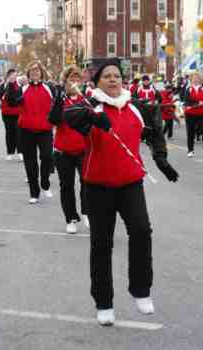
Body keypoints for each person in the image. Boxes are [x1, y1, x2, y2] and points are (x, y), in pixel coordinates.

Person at [64, 59, 179, 326]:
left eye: (117, 75)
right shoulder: (89, 104)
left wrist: (161, 159)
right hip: (98, 186)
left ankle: (141, 290)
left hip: (130, 184)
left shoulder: (135, 107)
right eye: (107, 76)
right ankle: (103, 302)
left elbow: (155, 132)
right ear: (97, 82)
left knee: (141, 231)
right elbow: (67, 117)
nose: (113, 80)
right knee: (101, 245)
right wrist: (93, 116)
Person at [5, 60, 55, 204]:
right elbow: (11, 101)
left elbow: (58, 102)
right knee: (30, 162)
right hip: (26, 130)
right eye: (32, 70)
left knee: (47, 157)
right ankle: (34, 193)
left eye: (37, 70)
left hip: (45, 130)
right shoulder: (23, 88)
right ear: (28, 74)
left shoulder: (49, 87)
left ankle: (45, 182)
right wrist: (12, 83)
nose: (34, 72)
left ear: (41, 73)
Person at [49, 65, 89, 233]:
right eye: (71, 79)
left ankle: (87, 212)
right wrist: (58, 99)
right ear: (65, 82)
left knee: (87, 184)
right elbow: (54, 120)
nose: (74, 82)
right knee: (66, 186)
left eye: (77, 79)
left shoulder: (86, 100)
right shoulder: (60, 99)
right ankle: (71, 218)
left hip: (84, 150)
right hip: (63, 151)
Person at [0, 69, 23, 161]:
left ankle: (20, 152)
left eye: (15, 75)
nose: (13, 77)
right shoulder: (4, 85)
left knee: (18, 133)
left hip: (18, 113)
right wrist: (3, 87)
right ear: (8, 76)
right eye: (12, 75)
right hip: (6, 113)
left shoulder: (19, 86)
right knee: (9, 133)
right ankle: (10, 152)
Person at [184, 72, 203, 157]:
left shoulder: (202, 89)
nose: (195, 80)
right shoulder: (189, 89)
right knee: (190, 132)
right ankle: (190, 150)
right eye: (194, 78)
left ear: (200, 80)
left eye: (197, 78)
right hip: (190, 114)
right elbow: (186, 101)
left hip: (201, 113)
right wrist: (197, 103)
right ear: (191, 80)